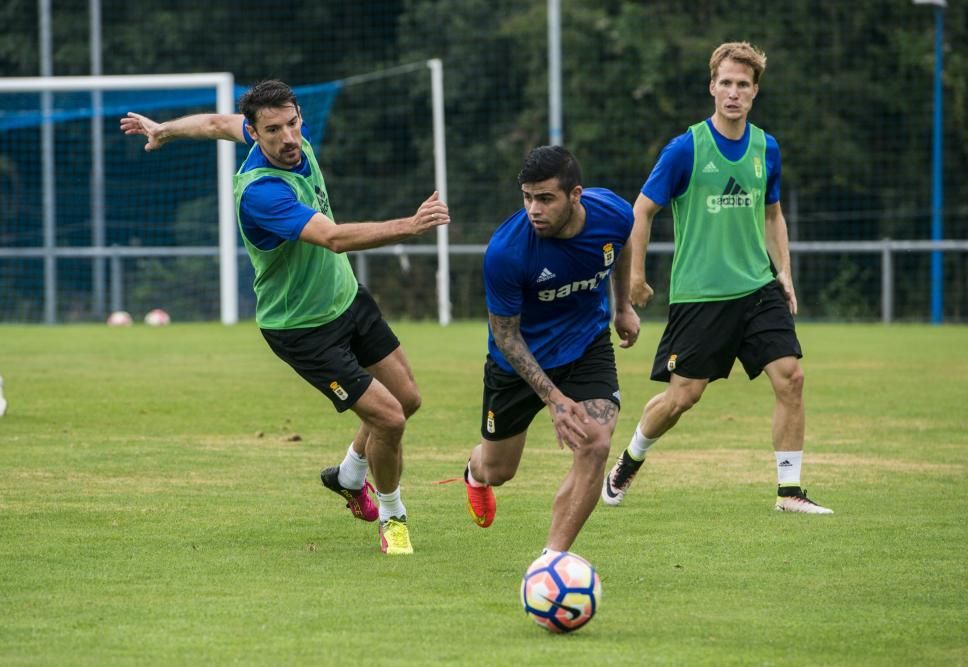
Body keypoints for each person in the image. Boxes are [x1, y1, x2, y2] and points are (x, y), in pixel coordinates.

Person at [120, 79, 451, 554]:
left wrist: (165, 129)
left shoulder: (291, 141)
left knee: (407, 400)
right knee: (391, 420)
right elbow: (333, 238)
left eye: (293, 124)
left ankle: (349, 474)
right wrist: (411, 225)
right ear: (255, 135)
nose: (289, 138)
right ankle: (393, 516)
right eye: (273, 130)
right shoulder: (261, 193)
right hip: (302, 329)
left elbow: (214, 122)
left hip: (346, 299)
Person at [603, 42, 833, 514]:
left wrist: (783, 273)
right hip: (700, 296)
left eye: (743, 85)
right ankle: (628, 461)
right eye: (725, 83)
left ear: (755, 92)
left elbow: (773, 214)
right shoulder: (686, 147)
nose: (733, 93)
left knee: (791, 377)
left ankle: (789, 492)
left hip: (757, 288)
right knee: (683, 397)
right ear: (712, 87)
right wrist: (636, 279)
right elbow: (641, 211)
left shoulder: (766, 147)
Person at [460, 145, 640, 553]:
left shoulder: (612, 211)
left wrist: (623, 306)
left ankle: (553, 559)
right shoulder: (507, 252)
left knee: (595, 442)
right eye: (527, 197)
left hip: (586, 345)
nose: (533, 209)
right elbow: (506, 336)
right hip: (519, 363)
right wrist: (554, 399)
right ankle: (474, 472)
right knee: (499, 469)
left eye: (545, 198)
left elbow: (623, 240)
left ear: (575, 194)